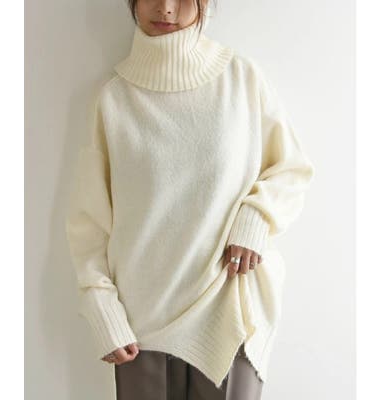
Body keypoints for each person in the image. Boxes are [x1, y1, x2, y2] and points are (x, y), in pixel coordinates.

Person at [65, 0, 315, 399]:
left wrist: (256, 217)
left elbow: (291, 169)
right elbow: (89, 222)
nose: (166, 8)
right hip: (139, 323)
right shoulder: (114, 98)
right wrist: (102, 306)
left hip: (228, 310)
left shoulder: (242, 79)